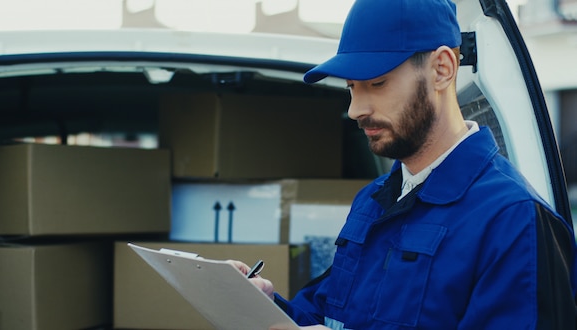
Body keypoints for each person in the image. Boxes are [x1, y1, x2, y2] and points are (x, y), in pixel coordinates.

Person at [231, 0, 577, 328]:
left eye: (377, 83)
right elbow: (328, 317)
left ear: (442, 69)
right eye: (352, 87)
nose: (355, 109)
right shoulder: (372, 202)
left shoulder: (513, 219)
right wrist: (266, 303)